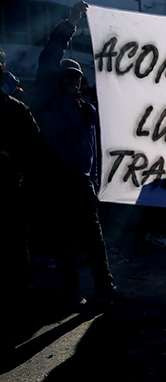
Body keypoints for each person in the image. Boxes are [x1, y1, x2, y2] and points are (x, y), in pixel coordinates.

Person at [30, 2, 122, 306]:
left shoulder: (88, 110)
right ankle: (72, 293)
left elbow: (94, 148)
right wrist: (71, 22)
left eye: (76, 77)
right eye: (67, 77)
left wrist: (94, 179)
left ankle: (104, 286)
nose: (72, 81)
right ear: (58, 81)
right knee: (64, 242)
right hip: (57, 182)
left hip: (83, 184)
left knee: (94, 239)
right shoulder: (48, 102)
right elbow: (48, 57)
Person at [0, 46, 47, 355]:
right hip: (10, 192)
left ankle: (16, 311)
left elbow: (35, 148)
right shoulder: (16, 107)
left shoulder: (17, 109)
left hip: (10, 192)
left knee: (16, 252)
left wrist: (11, 160)